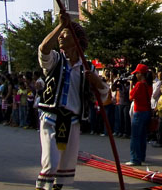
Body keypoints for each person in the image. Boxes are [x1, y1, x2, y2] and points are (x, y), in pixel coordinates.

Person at [35, 14, 109, 190]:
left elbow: (106, 96)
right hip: (51, 118)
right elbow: (43, 48)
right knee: (50, 164)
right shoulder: (55, 59)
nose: (60, 36)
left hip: (73, 122)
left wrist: (96, 81)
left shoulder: (88, 67)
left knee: (64, 169)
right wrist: (61, 26)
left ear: (76, 40)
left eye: (65, 33)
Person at [127, 63, 153, 166]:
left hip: (139, 112)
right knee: (142, 136)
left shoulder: (139, 84)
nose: (135, 75)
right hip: (146, 112)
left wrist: (131, 85)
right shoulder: (148, 84)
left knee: (135, 137)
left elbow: (131, 96)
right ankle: (142, 156)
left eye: (136, 73)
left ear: (140, 74)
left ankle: (135, 159)